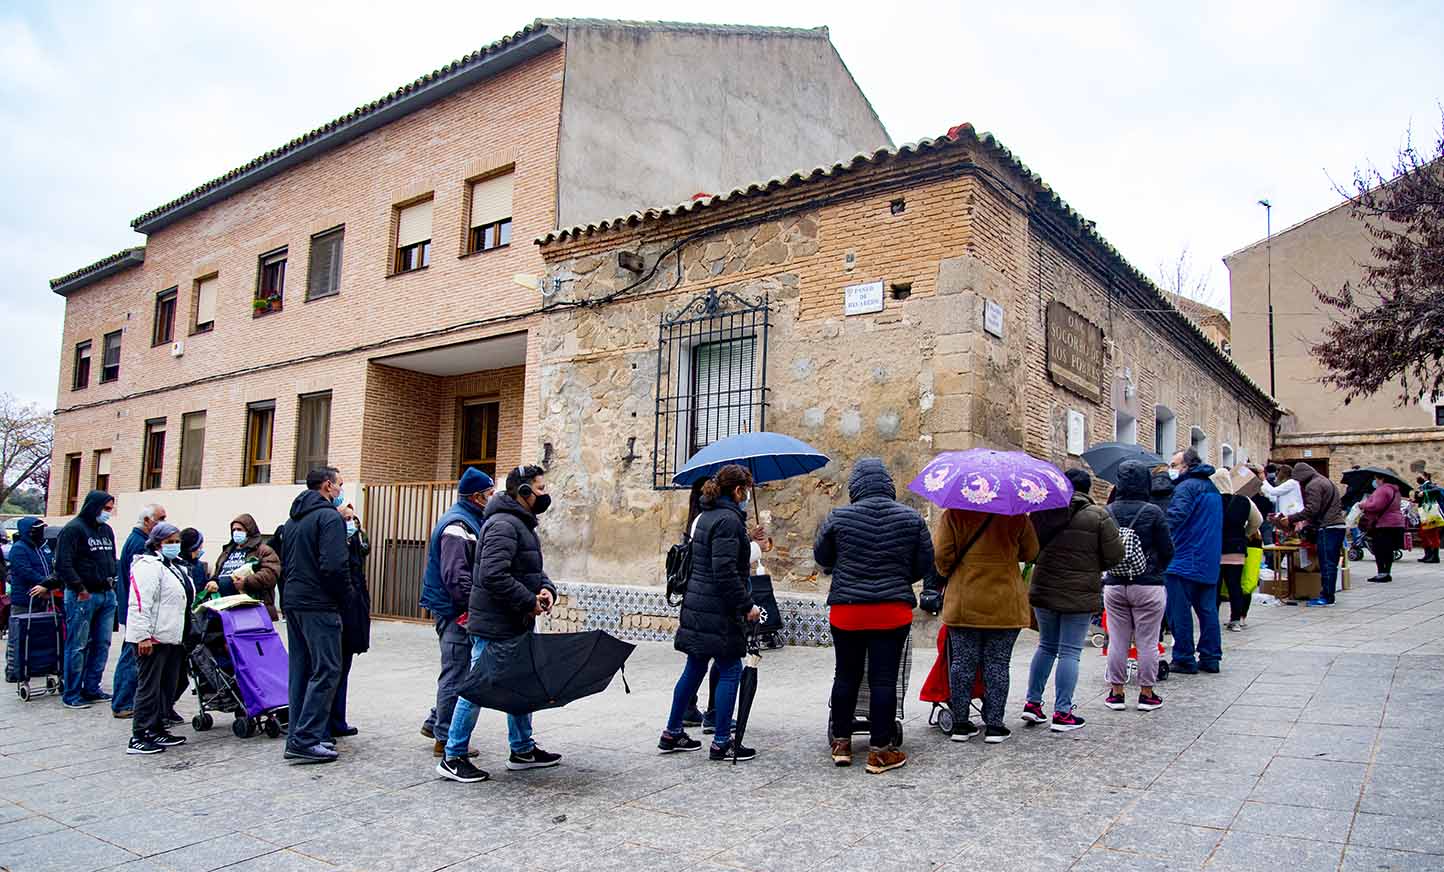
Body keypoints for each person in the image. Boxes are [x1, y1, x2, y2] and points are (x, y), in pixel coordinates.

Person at [439, 464, 563, 783]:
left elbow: (530, 571)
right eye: (539, 488)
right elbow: (492, 575)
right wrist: (528, 600)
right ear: (522, 493)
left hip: (514, 621)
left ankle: (522, 749)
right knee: (477, 689)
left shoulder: (521, 524)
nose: (544, 493)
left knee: (520, 683)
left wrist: (547, 590)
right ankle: (453, 756)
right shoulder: (504, 525)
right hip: (495, 625)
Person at [814, 458, 932, 773]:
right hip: (891, 611)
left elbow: (822, 557)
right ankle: (880, 751)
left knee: (846, 674)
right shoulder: (911, 519)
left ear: (855, 488)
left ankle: (841, 742)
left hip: (847, 610)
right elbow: (924, 565)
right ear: (888, 485)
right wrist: (899, 575)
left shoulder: (838, 517)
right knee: (883, 679)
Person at [656, 465, 762, 764]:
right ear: (739, 491)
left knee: (695, 667)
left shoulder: (705, 516)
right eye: (747, 490)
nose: (747, 496)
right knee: (730, 669)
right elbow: (725, 572)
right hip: (719, 610)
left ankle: (672, 731)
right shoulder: (728, 521)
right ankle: (721, 742)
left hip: (698, 606)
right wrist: (747, 606)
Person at [929, 501, 1040, 744]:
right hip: (1005, 602)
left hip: (964, 599)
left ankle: (960, 724)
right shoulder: (1017, 515)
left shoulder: (955, 514)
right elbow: (1031, 552)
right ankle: (995, 726)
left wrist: (953, 572)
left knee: (961, 663)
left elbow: (941, 554)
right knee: (998, 663)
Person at [1023, 468, 1123, 732]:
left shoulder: (1043, 511)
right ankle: (1063, 712)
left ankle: (1032, 704)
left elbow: (1030, 549)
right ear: (1087, 489)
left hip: (1044, 588)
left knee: (1046, 646)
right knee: (1069, 651)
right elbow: (1116, 555)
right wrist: (1091, 563)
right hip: (1079, 592)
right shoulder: (1098, 515)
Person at [419, 468, 494, 757]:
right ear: (476, 497)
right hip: (455, 611)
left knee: (458, 669)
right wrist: (469, 610)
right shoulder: (457, 525)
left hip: (456, 609)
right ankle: (445, 737)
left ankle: (435, 721)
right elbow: (455, 576)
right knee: (457, 671)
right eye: (488, 494)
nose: (492, 498)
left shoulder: (470, 520)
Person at [280, 466, 350, 763]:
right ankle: (307, 737)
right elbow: (334, 566)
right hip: (318, 604)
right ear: (326, 486)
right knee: (327, 669)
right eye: (339, 485)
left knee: (301, 669)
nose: (340, 491)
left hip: (294, 601)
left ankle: (298, 732)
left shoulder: (293, 520)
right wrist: (345, 596)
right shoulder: (329, 518)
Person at [1103, 461, 1173, 712]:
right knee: (1147, 641)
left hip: (1114, 584)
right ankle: (1146, 694)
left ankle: (1116, 693)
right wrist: (1156, 569)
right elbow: (1167, 549)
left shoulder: (1107, 510)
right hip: (1148, 584)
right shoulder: (1153, 512)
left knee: (1118, 640)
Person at [124, 522, 190, 755]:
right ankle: (140, 734)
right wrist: (142, 636)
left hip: (172, 637)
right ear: (157, 543)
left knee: (167, 686)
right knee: (149, 687)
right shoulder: (149, 566)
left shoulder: (173, 566)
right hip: (153, 638)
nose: (174, 546)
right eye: (169, 542)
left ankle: (157, 727)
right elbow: (141, 603)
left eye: (176, 541)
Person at [55, 489, 118, 709]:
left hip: (106, 593)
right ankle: (72, 693)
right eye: (106, 509)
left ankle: (92, 687)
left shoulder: (107, 531)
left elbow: (111, 559)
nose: (108, 513)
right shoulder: (74, 529)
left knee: (102, 644)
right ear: (94, 506)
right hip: (83, 595)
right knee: (77, 645)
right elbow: (63, 563)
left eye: (111, 509)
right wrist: (79, 588)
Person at [1163, 449, 1223, 675]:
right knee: (1208, 610)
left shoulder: (1186, 488)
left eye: (1174, 464)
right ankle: (1211, 657)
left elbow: (1174, 519)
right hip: (1208, 559)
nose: (1172, 469)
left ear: (1186, 467)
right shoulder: (1212, 488)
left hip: (1184, 558)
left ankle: (1184, 657)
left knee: (1179, 611)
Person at [112, 504, 167, 720]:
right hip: (136, 612)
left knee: (131, 655)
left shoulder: (136, 541)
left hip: (133, 609)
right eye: (160, 518)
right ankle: (123, 702)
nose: (163, 522)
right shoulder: (139, 544)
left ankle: (125, 700)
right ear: (147, 521)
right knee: (131, 656)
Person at [330, 504, 372, 740]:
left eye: (353, 519)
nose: (350, 524)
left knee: (343, 669)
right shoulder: (333, 548)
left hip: (352, 615)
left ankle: (338, 719)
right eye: (345, 519)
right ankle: (328, 721)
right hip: (338, 614)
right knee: (333, 670)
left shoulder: (355, 544)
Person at [1283, 462, 1346, 606]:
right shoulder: (1325, 480)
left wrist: (1291, 519)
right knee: (1331, 563)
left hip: (1327, 528)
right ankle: (1328, 594)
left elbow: (1312, 509)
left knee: (1327, 564)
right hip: (1337, 526)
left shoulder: (1313, 485)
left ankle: (1327, 597)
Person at [5, 518, 56, 684]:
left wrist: (49, 585)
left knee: (39, 635)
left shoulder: (44, 547)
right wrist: (46, 584)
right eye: (37, 529)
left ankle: (35, 667)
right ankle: (14, 670)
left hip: (43, 597)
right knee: (18, 636)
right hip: (24, 599)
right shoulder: (19, 549)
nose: (40, 532)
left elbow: (51, 568)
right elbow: (25, 571)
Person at [1214, 468, 1263, 630]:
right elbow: (1258, 521)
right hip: (1237, 549)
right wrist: (1245, 534)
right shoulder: (1244, 501)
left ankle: (1212, 617)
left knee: (1215, 586)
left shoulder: (1210, 500)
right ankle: (1235, 619)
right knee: (1235, 585)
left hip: (1215, 550)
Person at [213, 514, 282, 619]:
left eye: (240, 529)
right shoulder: (227, 551)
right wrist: (213, 581)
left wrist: (247, 582)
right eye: (234, 530)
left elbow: (271, 573)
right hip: (225, 607)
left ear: (249, 530)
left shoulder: (263, 551)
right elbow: (218, 571)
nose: (236, 533)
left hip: (251, 608)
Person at [172, 528, 207, 718]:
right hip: (180, 626)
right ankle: (162, 709)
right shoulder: (178, 567)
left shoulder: (198, 567)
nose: (201, 549)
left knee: (184, 677)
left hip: (196, 625)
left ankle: (166, 708)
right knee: (176, 675)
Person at [1358, 474, 1405, 583]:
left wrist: (1363, 505)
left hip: (1384, 523)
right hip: (1396, 523)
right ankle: (1387, 572)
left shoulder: (1383, 490)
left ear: (1382, 479)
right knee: (1388, 550)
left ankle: (1381, 573)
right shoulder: (1395, 491)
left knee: (1379, 549)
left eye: (1376, 479)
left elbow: (1376, 506)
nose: (1375, 481)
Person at [1260, 464, 1305, 530]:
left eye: (1277, 474)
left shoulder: (1291, 483)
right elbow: (1276, 498)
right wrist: (1265, 493)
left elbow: (1273, 491)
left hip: (1293, 517)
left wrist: (1263, 480)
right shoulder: (1289, 484)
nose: (1276, 477)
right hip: (1290, 516)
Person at [1416, 473, 1440, 564]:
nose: (1418, 477)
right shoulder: (1423, 486)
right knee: (1423, 533)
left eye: (1420, 475)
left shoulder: (1429, 485)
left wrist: (1424, 492)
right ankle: (1428, 555)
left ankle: (1435, 556)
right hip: (1425, 514)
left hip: (1430, 514)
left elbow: (1437, 490)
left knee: (1432, 534)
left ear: (1426, 477)